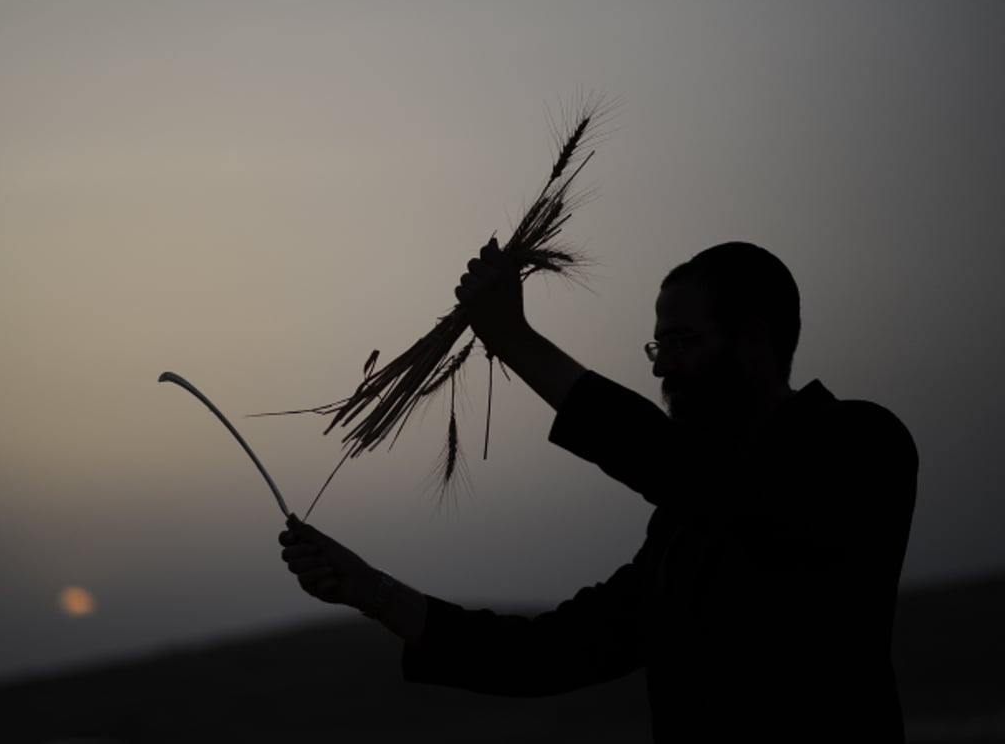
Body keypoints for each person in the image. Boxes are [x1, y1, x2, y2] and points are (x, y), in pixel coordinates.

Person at [278, 239, 917, 741]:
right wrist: (372, 591)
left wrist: (514, 341)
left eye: (683, 342)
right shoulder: (681, 529)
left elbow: (693, 473)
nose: (663, 367)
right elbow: (552, 652)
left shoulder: (860, 447)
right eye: (656, 346)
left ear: (754, 339)